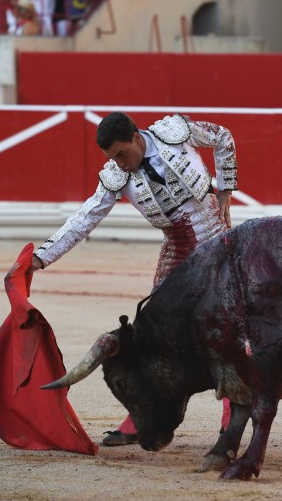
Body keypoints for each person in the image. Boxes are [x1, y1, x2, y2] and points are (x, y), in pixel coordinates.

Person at [28, 112, 239, 447]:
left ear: (137, 139)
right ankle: (140, 420)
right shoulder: (115, 175)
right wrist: (41, 256)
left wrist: (226, 190)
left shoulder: (175, 132)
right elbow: (86, 217)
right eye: (112, 158)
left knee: (227, 328)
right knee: (153, 334)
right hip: (178, 249)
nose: (119, 164)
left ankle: (234, 418)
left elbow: (223, 137)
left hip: (218, 239)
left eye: (122, 154)